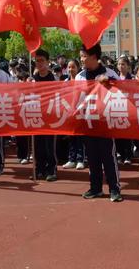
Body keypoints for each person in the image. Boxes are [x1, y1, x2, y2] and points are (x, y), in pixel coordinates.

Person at [76, 43, 123, 202]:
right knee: (92, 157)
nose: (81, 59)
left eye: (84, 56)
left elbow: (124, 90)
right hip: (88, 122)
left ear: (94, 57)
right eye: (81, 56)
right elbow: (75, 98)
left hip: (105, 122)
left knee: (108, 156)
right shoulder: (80, 76)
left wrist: (109, 82)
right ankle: (95, 188)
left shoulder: (110, 73)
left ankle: (114, 189)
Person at [31, 49, 57, 182]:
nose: (39, 63)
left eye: (42, 61)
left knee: (48, 144)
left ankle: (51, 169)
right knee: (37, 144)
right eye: (37, 61)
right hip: (35, 115)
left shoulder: (52, 78)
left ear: (48, 62)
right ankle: (39, 168)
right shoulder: (33, 79)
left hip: (49, 115)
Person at [62, 59, 86, 170]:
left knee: (80, 137)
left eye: (73, 67)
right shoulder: (65, 82)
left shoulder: (82, 81)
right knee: (71, 136)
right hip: (69, 112)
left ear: (78, 68)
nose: (71, 69)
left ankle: (80, 159)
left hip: (80, 112)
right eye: (69, 67)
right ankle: (71, 159)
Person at [115, 56, 134, 165]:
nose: (121, 66)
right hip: (117, 107)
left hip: (128, 107)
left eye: (123, 64)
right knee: (118, 134)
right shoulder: (115, 78)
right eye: (119, 64)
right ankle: (120, 154)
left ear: (128, 66)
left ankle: (128, 155)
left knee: (127, 133)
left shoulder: (131, 78)